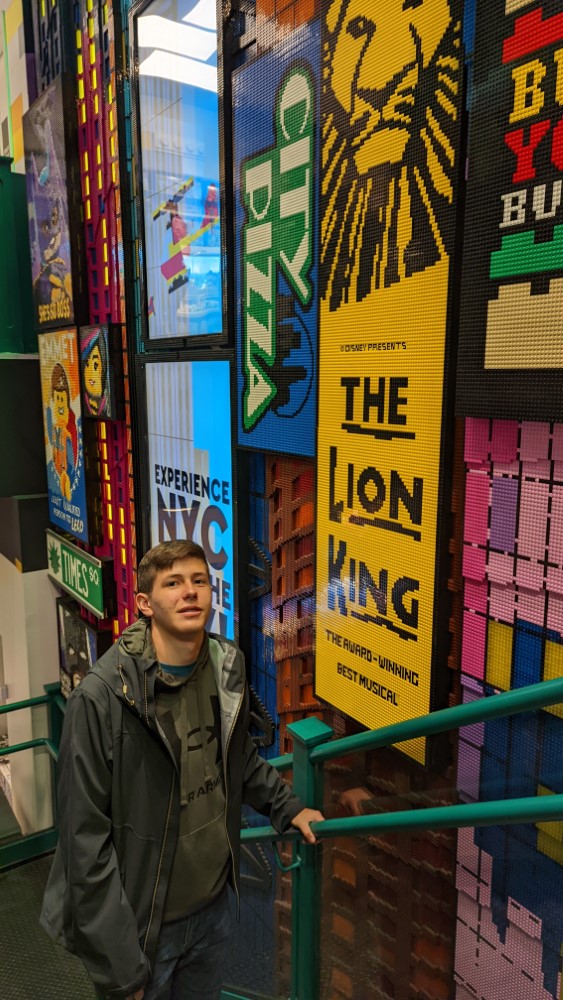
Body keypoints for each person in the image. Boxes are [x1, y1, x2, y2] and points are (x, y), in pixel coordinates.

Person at [40, 539, 324, 999]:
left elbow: (238, 759)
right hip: (141, 929)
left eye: (199, 581)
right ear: (145, 603)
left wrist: (288, 808)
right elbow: (83, 844)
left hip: (212, 911)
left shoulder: (225, 665)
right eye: (173, 583)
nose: (190, 591)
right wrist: (120, 966)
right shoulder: (101, 699)